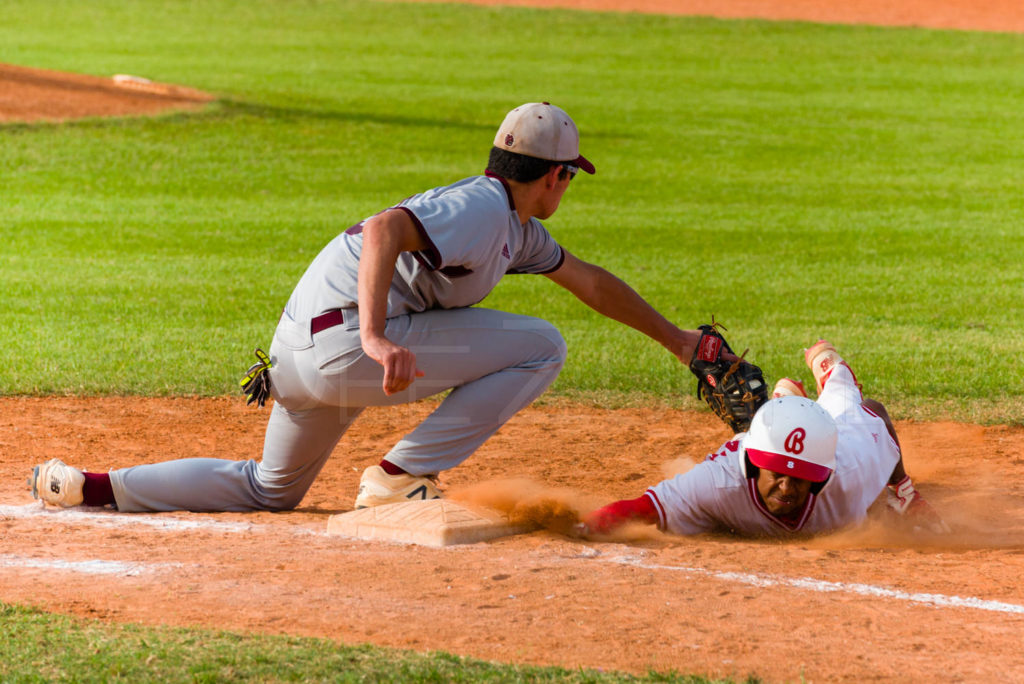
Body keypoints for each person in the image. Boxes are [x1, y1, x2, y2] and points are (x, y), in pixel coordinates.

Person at [30, 102, 714, 513]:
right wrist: (381, 337)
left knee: (269, 490)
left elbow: (590, 281)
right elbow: (384, 227)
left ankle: (88, 487)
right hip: (351, 345)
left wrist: (680, 342)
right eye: (570, 175)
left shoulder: (514, 228)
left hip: (302, 355)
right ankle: (398, 477)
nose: (570, 186)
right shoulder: (481, 205)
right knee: (542, 345)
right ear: (557, 174)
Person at [578, 340, 950, 537]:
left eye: (801, 478)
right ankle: (785, 402)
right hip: (767, 440)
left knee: (847, 394)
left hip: (828, 432)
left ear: (821, 477)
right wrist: (583, 523)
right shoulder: (719, 483)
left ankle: (826, 367)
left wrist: (899, 485)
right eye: (778, 474)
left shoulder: (850, 470)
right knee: (767, 429)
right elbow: (644, 509)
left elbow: (877, 417)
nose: (787, 487)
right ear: (754, 467)